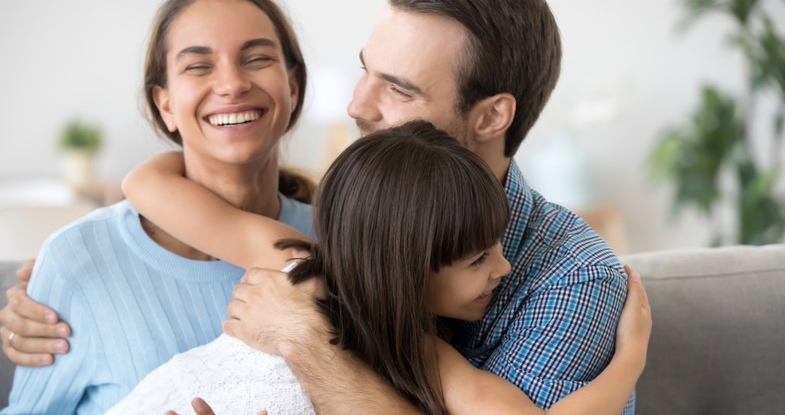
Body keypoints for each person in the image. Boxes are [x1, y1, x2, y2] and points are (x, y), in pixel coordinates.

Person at [2, 0, 639, 413]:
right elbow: (156, 191)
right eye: (367, 71)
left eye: (397, 87)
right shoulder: (332, 245)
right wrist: (73, 263)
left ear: (491, 116)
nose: (357, 105)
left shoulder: (571, 279)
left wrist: (306, 341)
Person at [108, 120, 649, 415]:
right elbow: (143, 189)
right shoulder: (405, 338)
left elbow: (148, 184)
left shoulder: (307, 267)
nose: (505, 269)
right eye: (480, 258)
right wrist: (630, 361)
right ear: (406, 270)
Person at [1, 0, 313, 413]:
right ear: (165, 104)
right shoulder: (78, 259)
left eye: (256, 58)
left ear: (292, 86)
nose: (232, 84)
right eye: (198, 66)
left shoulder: (343, 240)